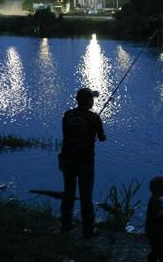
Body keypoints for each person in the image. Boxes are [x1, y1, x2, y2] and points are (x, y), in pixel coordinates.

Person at [59, 87, 106, 239]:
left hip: (67, 159)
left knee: (68, 192)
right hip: (85, 161)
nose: (93, 101)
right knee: (86, 197)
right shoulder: (94, 118)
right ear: (88, 101)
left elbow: (67, 134)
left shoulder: (67, 115)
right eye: (92, 99)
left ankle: (65, 224)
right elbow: (102, 137)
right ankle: (88, 231)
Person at [145, 176, 163, 262]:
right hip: (154, 230)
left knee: (159, 249)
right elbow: (155, 215)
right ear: (158, 190)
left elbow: (162, 212)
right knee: (158, 249)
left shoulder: (157, 198)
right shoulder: (154, 200)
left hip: (158, 230)